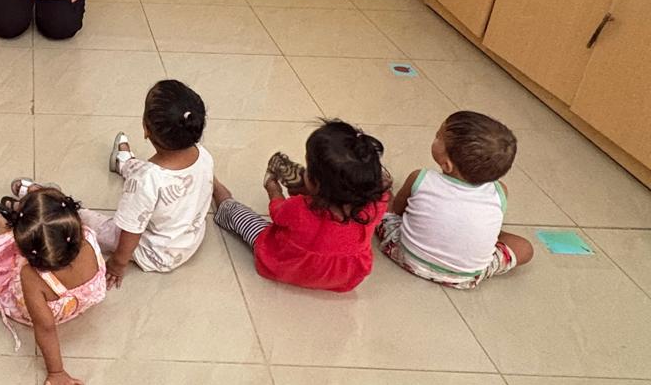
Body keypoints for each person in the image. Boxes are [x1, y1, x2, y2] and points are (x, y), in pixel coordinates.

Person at [0, 184, 106, 385]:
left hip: (51, 311)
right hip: (85, 297)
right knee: (46, 226)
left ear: (23, 246)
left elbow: (46, 327)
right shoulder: (86, 236)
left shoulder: (32, 275)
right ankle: (20, 218)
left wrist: (56, 372)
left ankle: (2, 225)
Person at [213, 120, 391, 292]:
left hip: (284, 264)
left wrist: (273, 190)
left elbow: (277, 213)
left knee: (240, 216)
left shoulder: (298, 209)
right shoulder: (378, 203)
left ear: (316, 183)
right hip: (344, 277)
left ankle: (221, 195)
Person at [80, 80, 214, 287]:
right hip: (189, 241)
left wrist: (118, 263)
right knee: (145, 173)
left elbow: (131, 229)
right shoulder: (203, 154)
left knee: (88, 221)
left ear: (146, 129)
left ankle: (57, 204)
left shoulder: (145, 180)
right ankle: (125, 163)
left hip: (155, 253)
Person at [376, 111, 533, 288]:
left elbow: (398, 211)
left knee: (383, 199)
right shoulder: (500, 191)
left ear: (447, 165)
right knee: (524, 248)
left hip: (405, 256)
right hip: (465, 277)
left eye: (438, 137)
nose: (435, 137)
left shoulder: (421, 178)